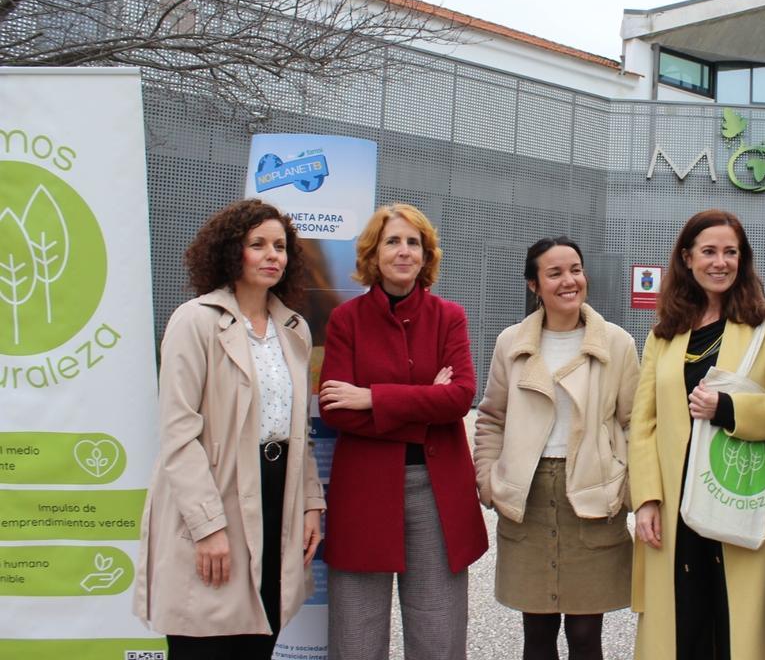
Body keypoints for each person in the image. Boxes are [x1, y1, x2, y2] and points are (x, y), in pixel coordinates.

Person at [133, 199, 325, 659]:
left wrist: (311, 504)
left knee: (261, 634)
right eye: (257, 244)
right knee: (205, 635)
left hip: (279, 495)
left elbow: (299, 427)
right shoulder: (195, 321)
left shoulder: (293, 329)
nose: (271, 255)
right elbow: (179, 435)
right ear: (230, 251)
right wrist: (207, 528)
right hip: (216, 494)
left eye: (279, 246)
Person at [318, 203, 487, 660]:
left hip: (436, 490)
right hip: (365, 491)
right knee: (356, 634)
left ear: (426, 254)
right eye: (393, 241)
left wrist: (373, 397)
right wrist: (423, 401)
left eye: (414, 242)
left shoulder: (449, 316)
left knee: (438, 632)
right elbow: (336, 408)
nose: (404, 251)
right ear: (374, 253)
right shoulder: (346, 320)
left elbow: (460, 397)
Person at [629, 209, 765, 660]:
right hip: (675, 505)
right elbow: (643, 424)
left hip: (735, 495)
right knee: (683, 620)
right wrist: (646, 499)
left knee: (731, 621)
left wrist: (729, 408)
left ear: (744, 260)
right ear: (687, 258)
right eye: (709, 251)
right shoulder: (663, 336)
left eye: (731, 252)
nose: (720, 262)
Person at [474, 236, 641, 660]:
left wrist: (627, 490)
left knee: (586, 634)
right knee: (538, 633)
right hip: (528, 498)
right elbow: (491, 417)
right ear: (535, 285)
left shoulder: (617, 343)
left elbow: (634, 422)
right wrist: (489, 481)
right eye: (555, 273)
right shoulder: (510, 343)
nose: (569, 281)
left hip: (591, 495)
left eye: (575, 270)